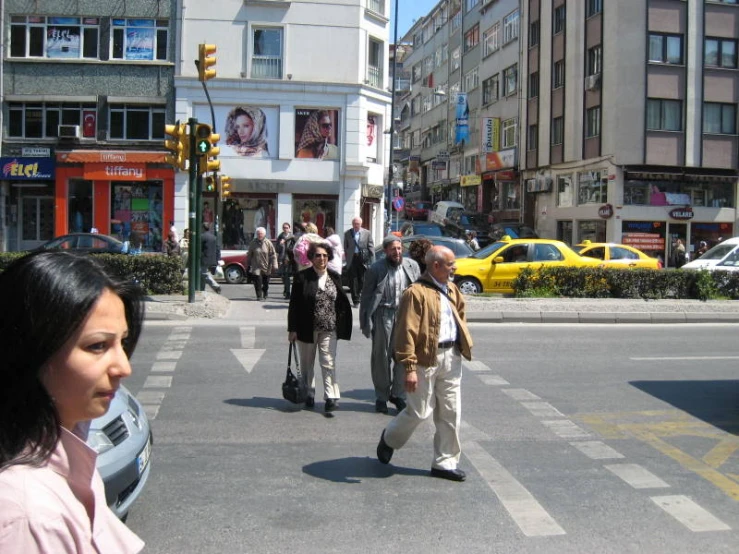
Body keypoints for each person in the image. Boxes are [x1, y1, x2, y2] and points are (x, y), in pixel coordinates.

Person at [0, 251, 145, 553]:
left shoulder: (71, 449)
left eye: (122, 342)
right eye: (97, 346)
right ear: (31, 351)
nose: (124, 367)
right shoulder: (29, 515)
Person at [376, 246, 473, 482]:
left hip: (451, 357)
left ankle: (445, 462)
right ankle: (389, 437)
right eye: (451, 264)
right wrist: (409, 368)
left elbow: (460, 316)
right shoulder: (415, 293)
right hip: (424, 360)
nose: (455, 268)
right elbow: (405, 333)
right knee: (419, 412)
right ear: (436, 266)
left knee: (451, 413)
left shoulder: (452, 289)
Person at [288, 242, 353, 413]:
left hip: (329, 328)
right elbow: (294, 305)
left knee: (328, 362)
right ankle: (308, 393)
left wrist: (341, 321)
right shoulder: (302, 277)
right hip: (306, 328)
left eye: (325, 255)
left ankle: (330, 396)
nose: (322, 258)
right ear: (311, 258)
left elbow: (340, 302)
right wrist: (292, 329)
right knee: (307, 364)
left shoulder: (334, 276)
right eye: (318, 255)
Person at [360, 236, 421, 414]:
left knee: (405, 356)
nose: (397, 252)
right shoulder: (376, 269)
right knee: (381, 357)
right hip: (383, 315)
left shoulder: (411, 266)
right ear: (386, 251)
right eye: (393, 249)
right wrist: (365, 321)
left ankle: (398, 395)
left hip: (405, 316)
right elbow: (366, 296)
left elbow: (419, 292)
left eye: (399, 248)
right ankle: (381, 397)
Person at [343, 217, 374, 307]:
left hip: (362, 258)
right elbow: (345, 247)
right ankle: (355, 299)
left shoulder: (367, 233)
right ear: (352, 224)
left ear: (361, 224)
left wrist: (372, 260)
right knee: (353, 280)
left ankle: (360, 294)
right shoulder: (348, 233)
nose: (356, 225)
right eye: (354, 224)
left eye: (358, 224)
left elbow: (371, 246)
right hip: (352, 259)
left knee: (362, 279)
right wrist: (347, 258)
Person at [247, 226, 278, 301]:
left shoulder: (268, 243)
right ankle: (259, 296)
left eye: (261, 234)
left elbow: (273, 254)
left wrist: (275, 265)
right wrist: (248, 264)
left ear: (264, 234)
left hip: (267, 266)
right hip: (256, 266)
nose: (259, 235)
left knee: (266, 282)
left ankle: (265, 292)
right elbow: (249, 254)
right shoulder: (253, 243)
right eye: (258, 233)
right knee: (257, 281)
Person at [200, 221, 222, 293]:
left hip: (204, 259)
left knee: (203, 273)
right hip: (212, 259)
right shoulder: (213, 237)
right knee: (202, 274)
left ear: (203, 228)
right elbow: (218, 248)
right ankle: (201, 289)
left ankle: (216, 286)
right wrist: (218, 258)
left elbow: (199, 248)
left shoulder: (202, 237)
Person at [277, 222, 295, 299]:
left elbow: (294, 248)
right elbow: (277, 249)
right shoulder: (280, 236)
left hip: (289, 259)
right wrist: (280, 245)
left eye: (287, 227)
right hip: (282, 258)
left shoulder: (292, 237)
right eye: (284, 227)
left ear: (289, 228)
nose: (285, 229)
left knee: (287, 275)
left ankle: (288, 293)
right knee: (283, 275)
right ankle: (286, 289)